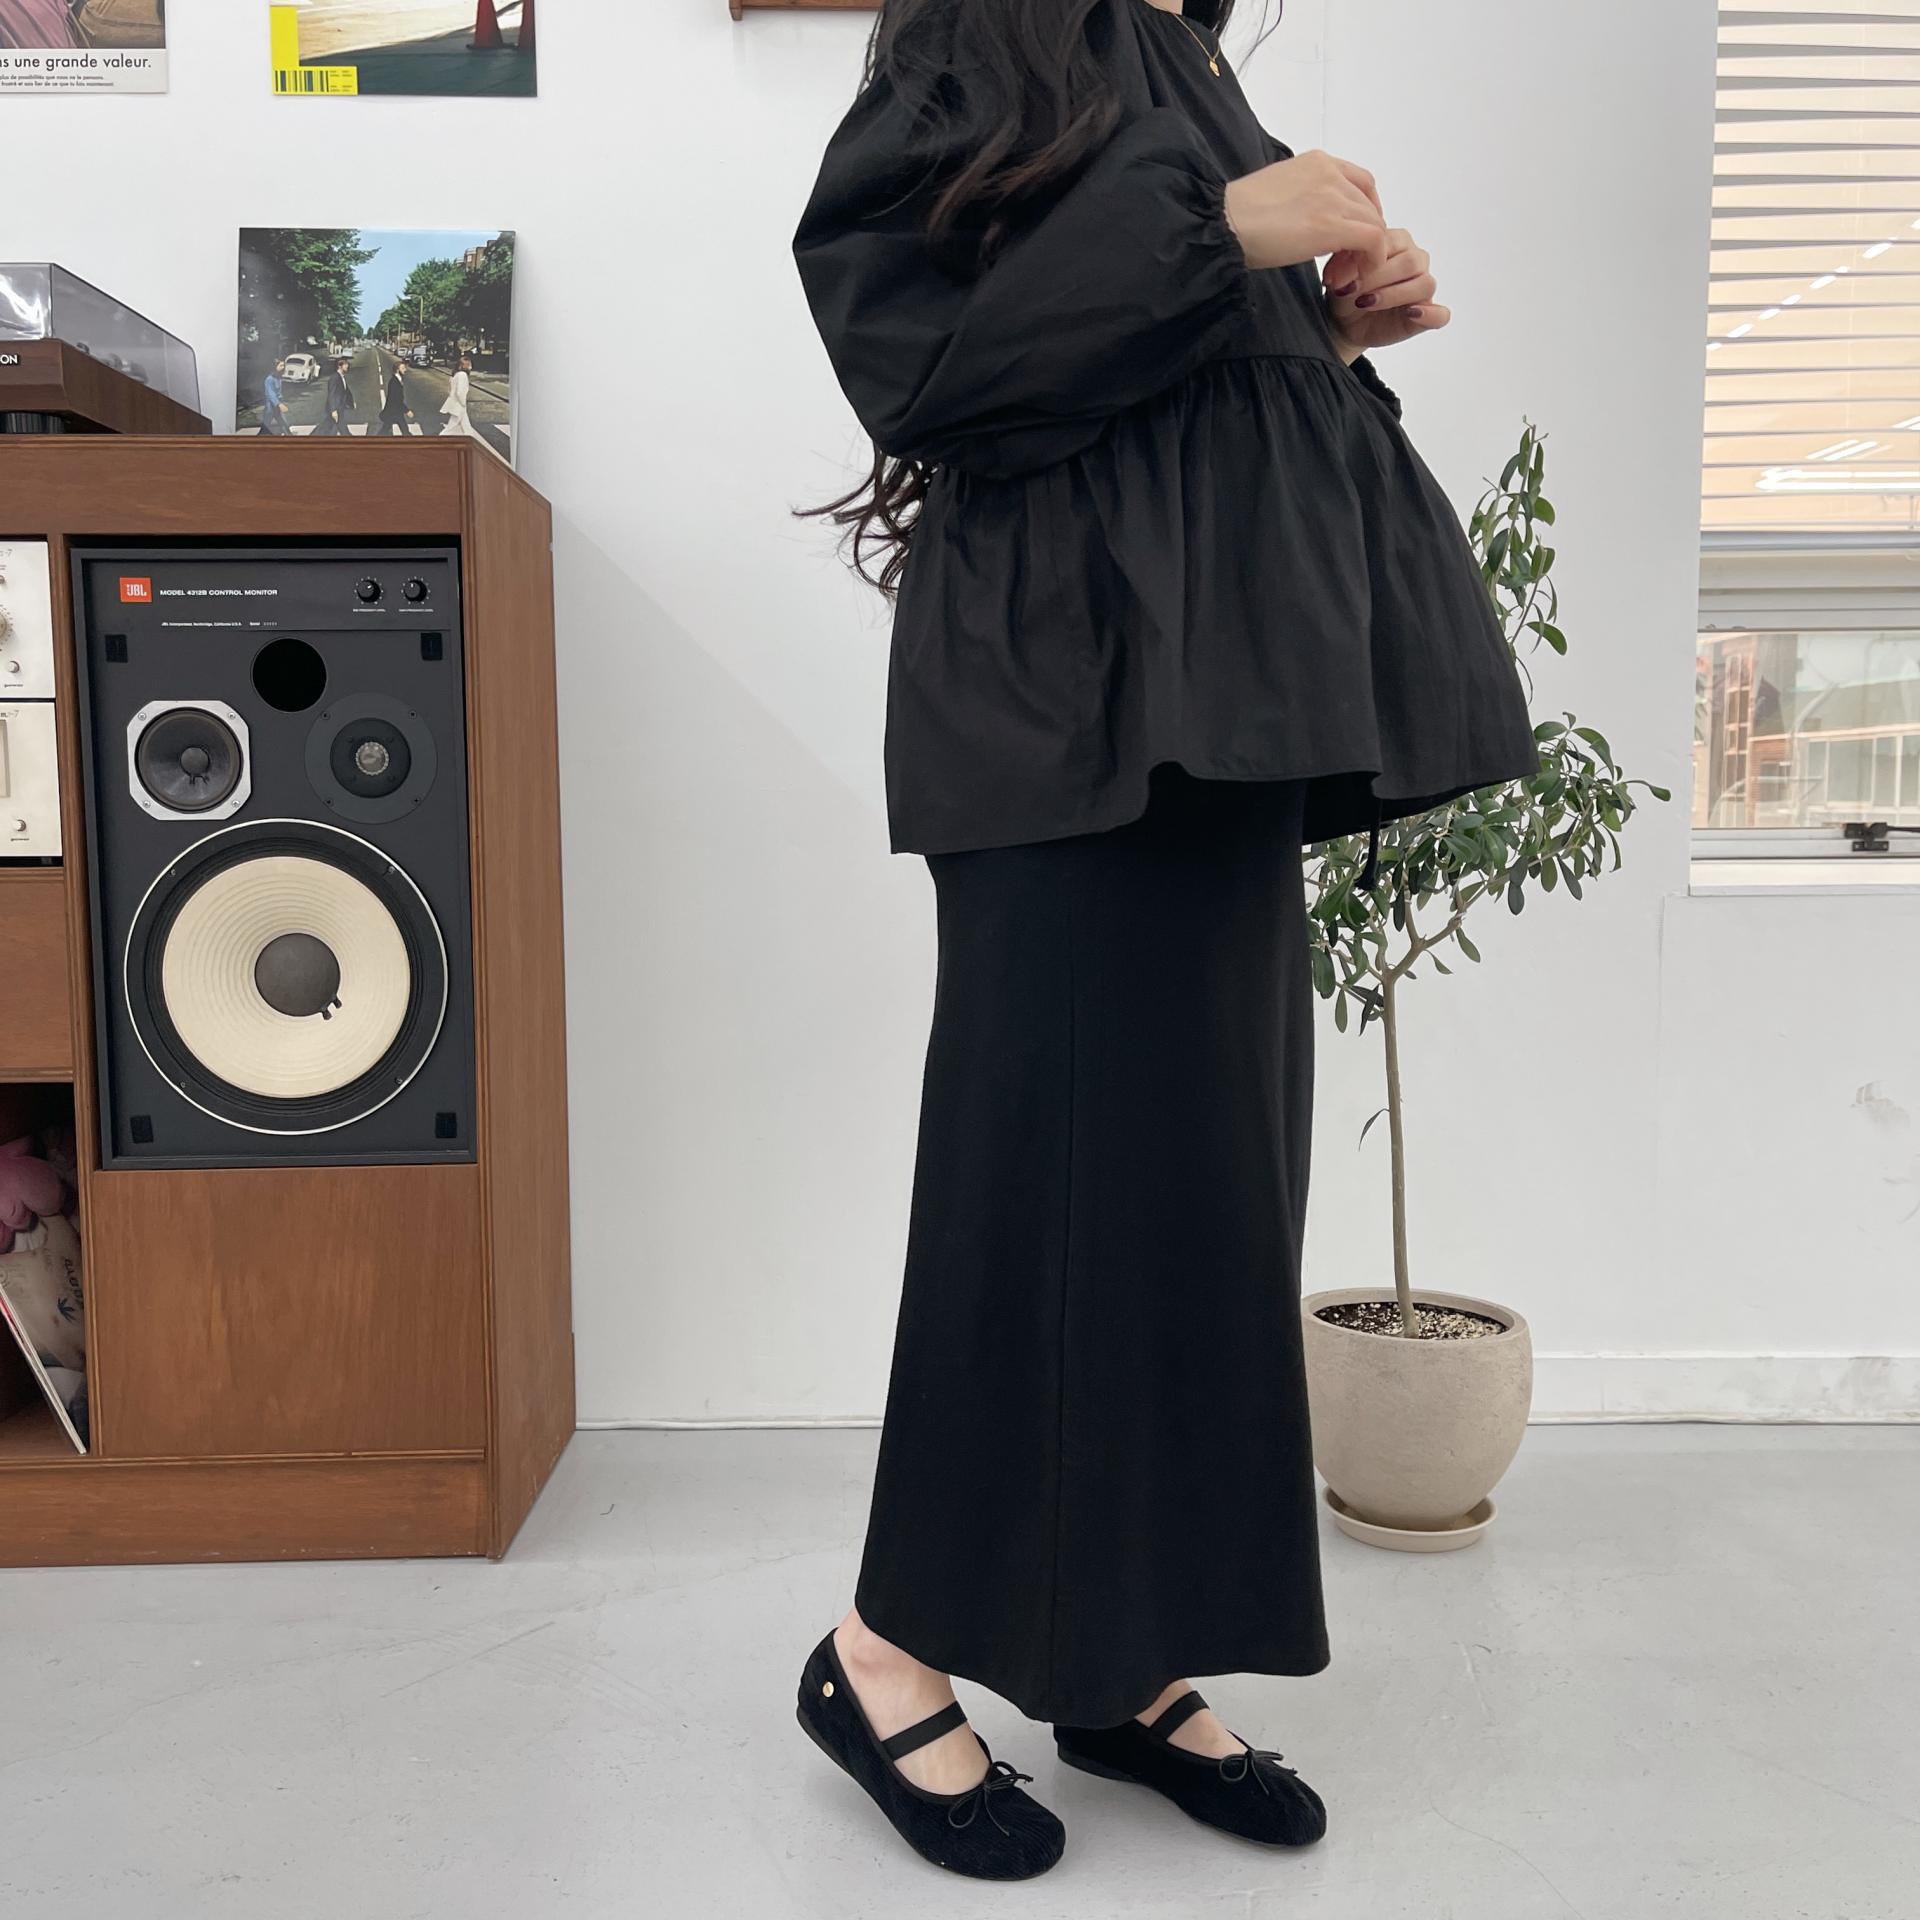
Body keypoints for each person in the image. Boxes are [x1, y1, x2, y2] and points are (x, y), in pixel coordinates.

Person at [790, 0, 1537, 1883]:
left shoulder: (1178, 57)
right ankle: (881, 1650)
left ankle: (1118, 1659)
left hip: (1217, 715)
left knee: (1201, 1204)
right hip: (1063, 714)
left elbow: (1147, 378)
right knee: (1032, 1193)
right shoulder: (988, 28)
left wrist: (1320, 324)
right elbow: (916, 359)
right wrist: (1223, 233)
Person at [439, 355, 474, 440]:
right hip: (459, 404)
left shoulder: (456, 374)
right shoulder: (462, 375)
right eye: (469, 364)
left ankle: (471, 439)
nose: (470, 366)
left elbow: (450, 390)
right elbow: (460, 392)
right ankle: (440, 438)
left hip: (457, 403)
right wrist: (463, 403)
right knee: (451, 427)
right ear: (463, 366)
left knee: (466, 426)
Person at [317, 357, 354, 436]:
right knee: (335, 428)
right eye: (345, 364)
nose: (347, 366)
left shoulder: (341, 377)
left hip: (339, 408)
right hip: (335, 408)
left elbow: (346, 391)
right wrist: (333, 410)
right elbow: (331, 394)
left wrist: (351, 403)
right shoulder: (334, 378)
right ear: (340, 366)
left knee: (336, 427)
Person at [379, 358, 416, 436]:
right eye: (403, 368)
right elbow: (396, 399)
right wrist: (407, 411)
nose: (405, 370)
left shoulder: (397, 380)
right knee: (386, 431)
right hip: (393, 412)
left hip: (395, 411)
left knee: (402, 430)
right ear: (397, 370)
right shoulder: (394, 382)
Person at [259, 359, 292, 436]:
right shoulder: (269, 379)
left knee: (284, 424)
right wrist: (279, 404)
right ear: (275, 367)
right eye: (281, 365)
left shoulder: (278, 377)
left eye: (284, 365)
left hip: (276, 406)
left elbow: (278, 392)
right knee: (265, 427)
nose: (283, 367)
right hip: (270, 407)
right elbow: (271, 394)